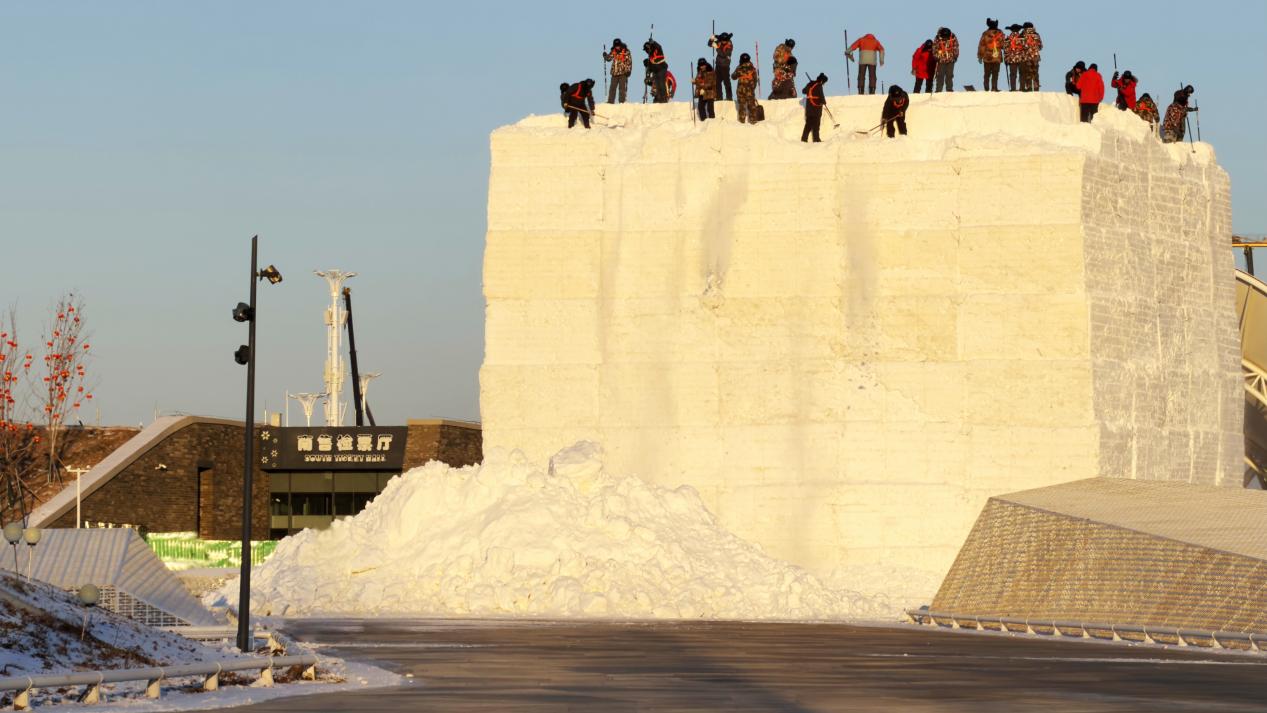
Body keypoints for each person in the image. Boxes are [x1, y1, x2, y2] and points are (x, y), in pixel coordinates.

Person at [732, 52, 761, 123]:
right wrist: (752, 88)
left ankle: (742, 121)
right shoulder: (752, 68)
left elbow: (733, 77)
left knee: (742, 106)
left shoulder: (739, 68)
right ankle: (753, 121)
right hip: (750, 91)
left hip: (740, 91)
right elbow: (755, 80)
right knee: (752, 106)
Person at [977, 19, 1005, 92]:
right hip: (997, 57)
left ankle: (986, 87)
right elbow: (1003, 45)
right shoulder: (1000, 33)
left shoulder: (985, 34)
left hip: (987, 57)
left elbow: (982, 45)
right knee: (995, 73)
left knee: (987, 74)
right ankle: (994, 88)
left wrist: (980, 56)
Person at [603, 39, 633, 104]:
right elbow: (609, 58)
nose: (617, 47)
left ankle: (622, 102)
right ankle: (610, 101)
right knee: (612, 88)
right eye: (616, 46)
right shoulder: (613, 51)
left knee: (622, 88)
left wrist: (628, 70)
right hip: (614, 72)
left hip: (623, 72)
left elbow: (629, 62)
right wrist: (605, 56)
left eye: (618, 45)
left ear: (620, 45)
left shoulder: (626, 51)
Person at [801, 73, 828, 142]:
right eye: (824, 82)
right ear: (822, 81)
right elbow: (821, 95)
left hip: (809, 108)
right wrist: (824, 102)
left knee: (808, 124)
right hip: (816, 109)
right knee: (816, 125)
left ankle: (804, 139)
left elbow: (803, 91)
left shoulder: (810, 84)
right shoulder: (819, 86)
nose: (824, 84)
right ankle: (816, 139)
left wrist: (809, 85)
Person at [709, 32, 735, 101]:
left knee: (726, 82)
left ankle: (729, 97)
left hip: (725, 66)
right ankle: (719, 97)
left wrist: (717, 47)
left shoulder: (729, 45)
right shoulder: (720, 42)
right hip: (718, 65)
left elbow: (724, 54)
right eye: (722, 40)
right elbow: (709, 44)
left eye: (725, 41)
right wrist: (711, 39)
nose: (723, 42)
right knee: (717, 82)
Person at [932, 27, 959, 92]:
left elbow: (956, 47)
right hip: (941, 60)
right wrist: (936, 57)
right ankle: (938, 90)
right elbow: (934, 48)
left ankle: (949, 89)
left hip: (951, 59)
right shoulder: (937, 38)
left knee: (949, 75)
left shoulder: (953, 37)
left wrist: (955, 56)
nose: (945, 38)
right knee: (940, 76)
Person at [1019, 21, 1043, 91]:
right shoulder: (1036, 35)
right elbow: (1040, 46)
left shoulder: (1022, 35)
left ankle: (1029, 87)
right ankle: (1036, 87)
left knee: (1028, 73)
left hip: (1027, 57)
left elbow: (1020, 47)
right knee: (1035, 73)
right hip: (1035, 57)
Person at [1003, 24, 1024, 91]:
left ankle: (1013, 88)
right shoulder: (1022, 38)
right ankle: (1022, 88)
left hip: (1011, 59)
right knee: (1022, 73)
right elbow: (1026, 48)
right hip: (1021, 58)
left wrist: (1006, 59)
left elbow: (1005, 50)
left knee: (1012, 74)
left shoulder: (1008, 39)